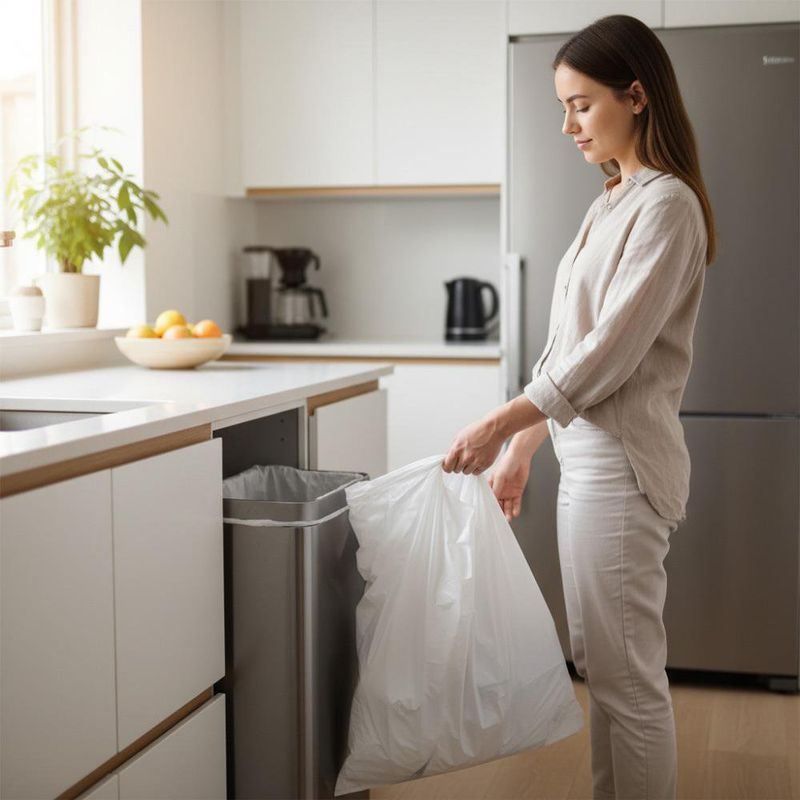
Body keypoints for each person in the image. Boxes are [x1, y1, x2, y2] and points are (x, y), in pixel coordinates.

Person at [442, 14, 717, 800]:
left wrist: (499, 423)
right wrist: (522, 451)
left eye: (581, 104)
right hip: (587, 461)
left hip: (623, 472)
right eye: (561, 106)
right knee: (603, 668)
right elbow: (571, 344)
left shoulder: (667, 207)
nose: (567, 124)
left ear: (637, 97)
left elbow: (608, 356)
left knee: (626, 680)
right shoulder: (612, 201)